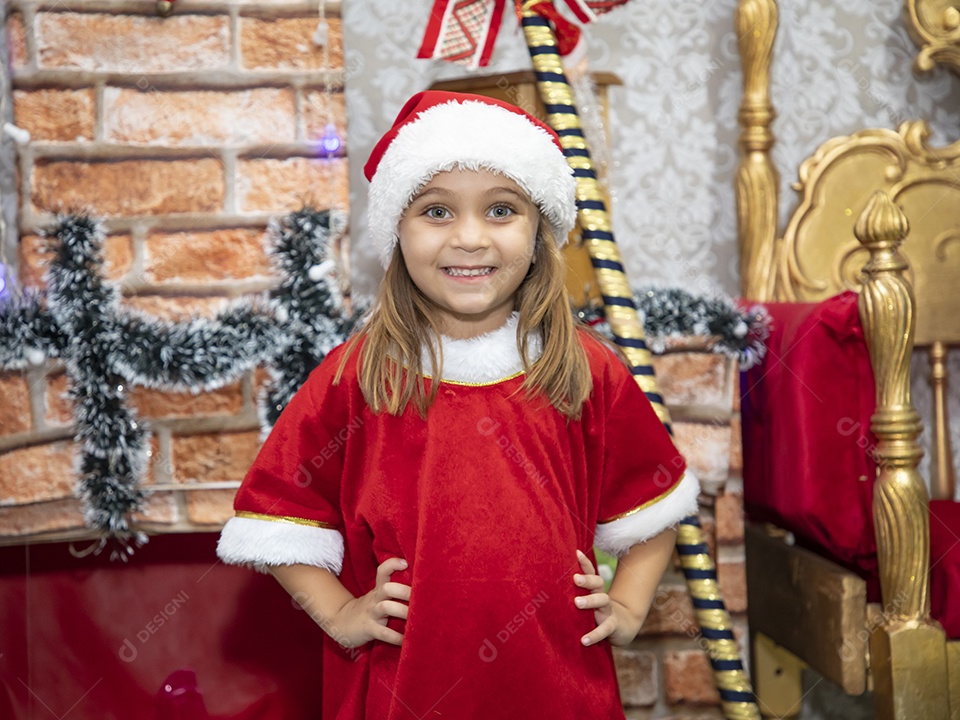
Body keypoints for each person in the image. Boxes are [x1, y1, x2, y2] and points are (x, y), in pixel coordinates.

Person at [217, 90, 700, 719]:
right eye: (437, 211)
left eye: (500, 210)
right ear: (398, 228)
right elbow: (276, 514)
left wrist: (630, 606)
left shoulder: (583, 370)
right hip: (403, 687)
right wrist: (338, 611)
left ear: (539, 229)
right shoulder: (357, 378)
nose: (469, 239)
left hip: (557, 687)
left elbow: (655, 504)